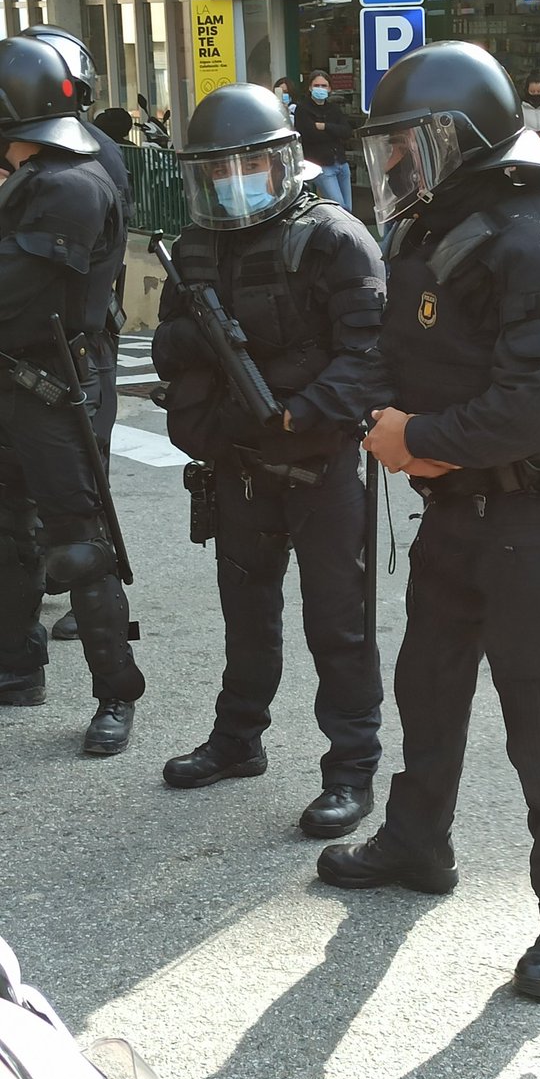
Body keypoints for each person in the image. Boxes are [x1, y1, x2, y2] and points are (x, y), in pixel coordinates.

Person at [315, 40, 540, 1001]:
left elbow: (537, 411)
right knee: (426, 688)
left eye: (418, 142)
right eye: (395, 146)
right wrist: (365, 418)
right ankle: (416, 843)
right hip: (451, 512)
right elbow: (388, 354)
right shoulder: (427, 231)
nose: (401, 165)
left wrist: (416, 435)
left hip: (531, 517)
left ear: (473, 139)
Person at [152, 83, 385, 838]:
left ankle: (349, 770)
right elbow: (170, 353)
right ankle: (236, 740)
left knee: (337, 628)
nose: (233, 181)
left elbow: (370, 357)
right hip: (240, 465)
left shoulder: (334, 238)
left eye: (248, 163)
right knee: (245, 618)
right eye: (217, 169)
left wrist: (298, 410)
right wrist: (208, 408)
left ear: (283, 161)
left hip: (320, 468)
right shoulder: (193, 245)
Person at [0, 35, 144, 753]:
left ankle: (115, 691)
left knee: (78, 543)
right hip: (17, 377)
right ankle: (16, 665)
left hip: (56, 383)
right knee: (6, 527)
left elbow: (11, 294)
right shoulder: (32, 176)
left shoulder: (67, 184)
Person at [20, 23, 135, 641]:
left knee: (80, 484)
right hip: (47, 344)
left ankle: (88, 601)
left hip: (77, 342)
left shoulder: (85, 159)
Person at [294, 70, 353, 210]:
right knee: (340, 208)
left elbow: (347, 132)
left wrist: (325, 126)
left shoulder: (334, 109)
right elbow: (310, 136)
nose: (320, 89)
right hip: (322, 166)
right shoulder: (302, 109)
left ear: (329, 88)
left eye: (323, 85)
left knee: (348, 209)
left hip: (341, 163)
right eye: (316, 85)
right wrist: (334, 132)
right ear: (310, 88)